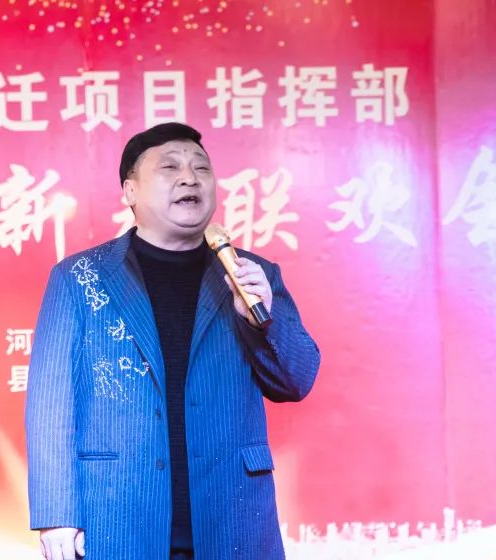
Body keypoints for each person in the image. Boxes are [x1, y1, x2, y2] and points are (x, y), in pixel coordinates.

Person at [25, 122, 321, 560]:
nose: (190, 178)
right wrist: (56, 513)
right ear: (130, 191)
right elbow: (50, 403)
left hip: (233, 516)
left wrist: (264, 322)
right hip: (118, 514)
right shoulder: (78, 277)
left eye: (201, 168)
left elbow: (296, 382)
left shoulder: (250, 275)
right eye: (170, 168)